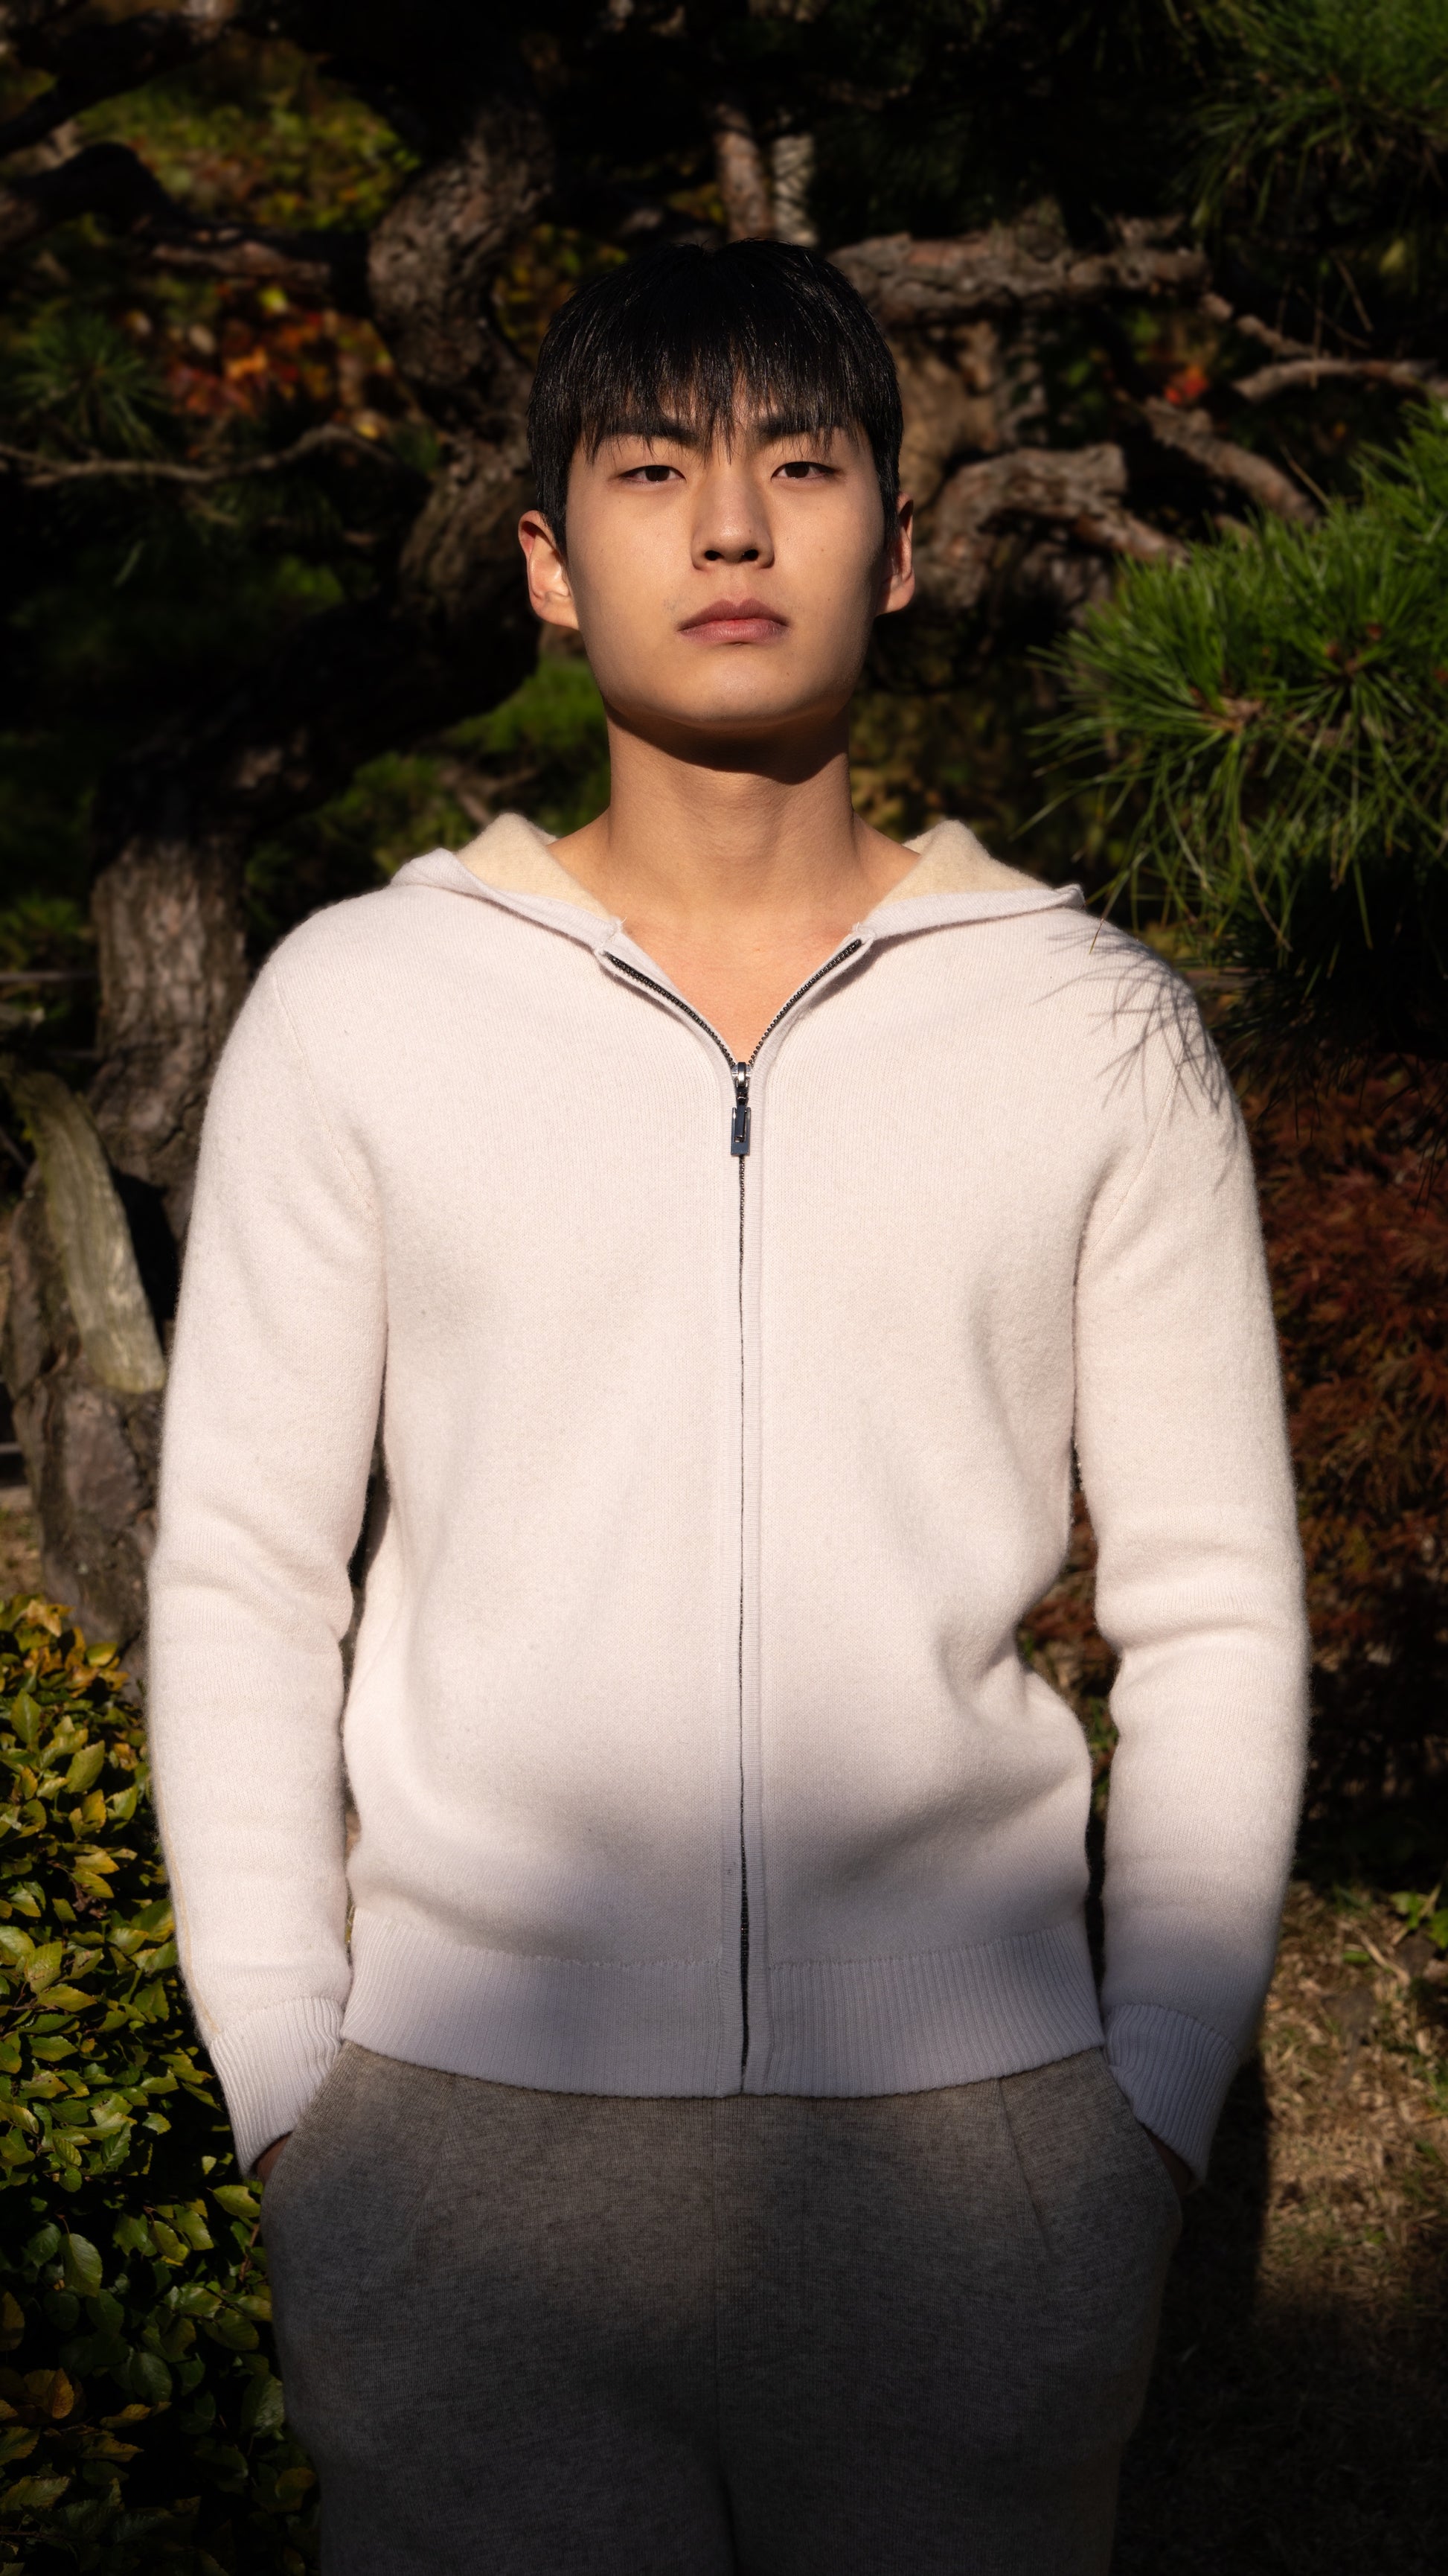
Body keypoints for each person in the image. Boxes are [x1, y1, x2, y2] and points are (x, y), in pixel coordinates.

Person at [149, 240, 1308, 2575]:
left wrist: (1145, 2119)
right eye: (651, 469)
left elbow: (1209, 1602)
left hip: (974, 2168)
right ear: (544, 562)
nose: (733, 527)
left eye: (801, 463)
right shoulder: (361, 1005)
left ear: (896, 537)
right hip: (459, 2165)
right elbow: (247, 1575)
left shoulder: (1087, 1022)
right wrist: (294, 2099)